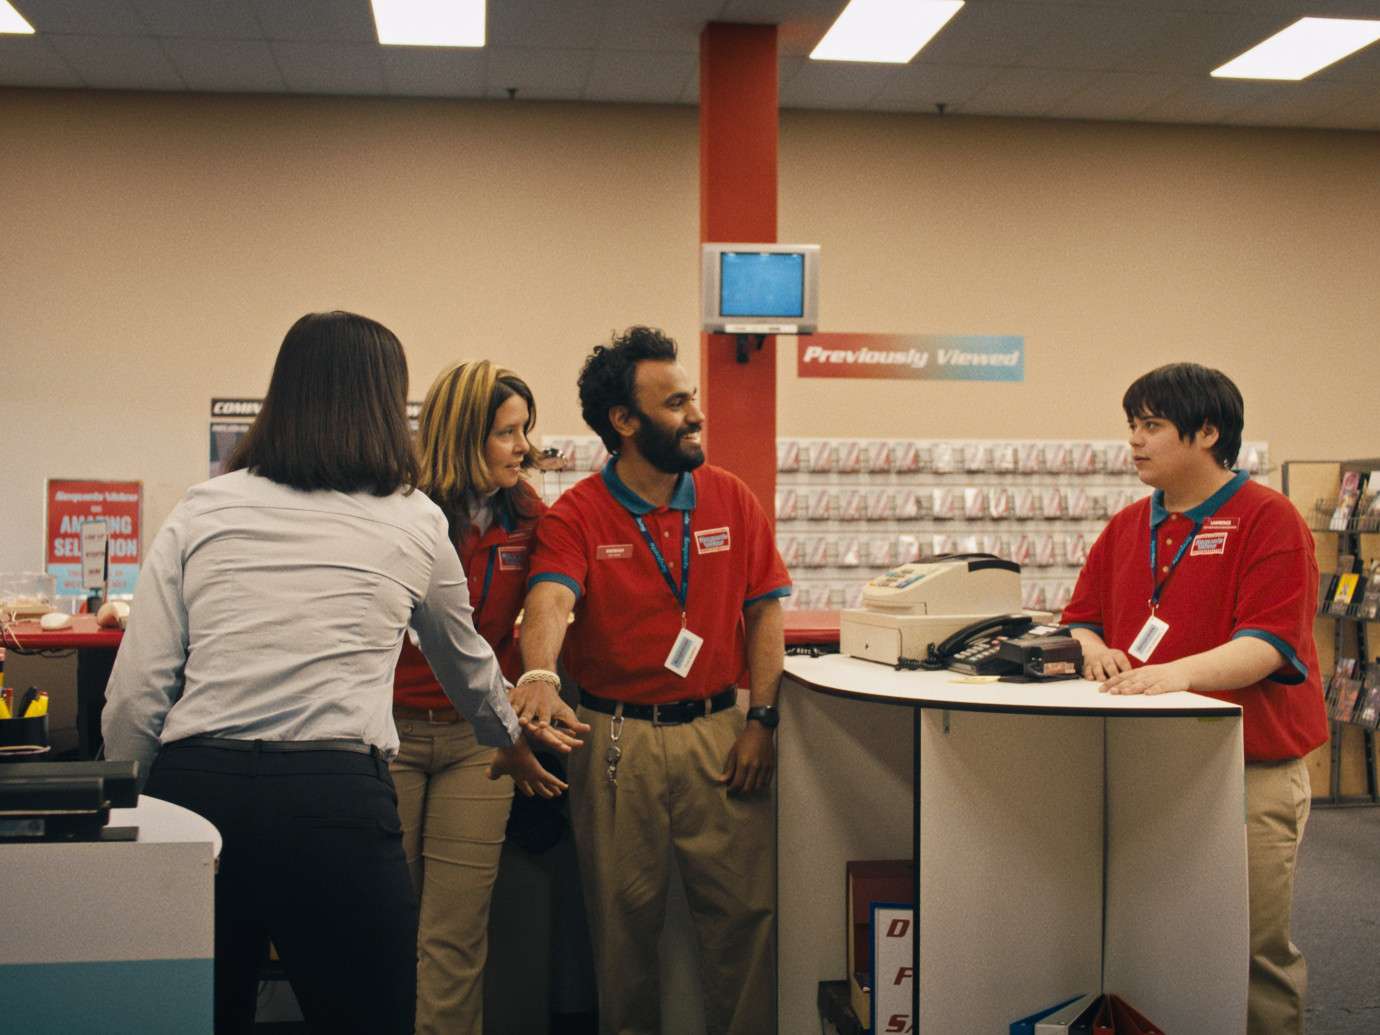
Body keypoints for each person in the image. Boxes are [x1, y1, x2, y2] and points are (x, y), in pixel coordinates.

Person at [101, 311, 579, 1035]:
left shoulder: (204, 507)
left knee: (198, 1013)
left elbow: (137, 691)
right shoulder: (412, 517)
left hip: (197, 790)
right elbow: (466, 658)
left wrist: (130, 806)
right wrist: (505, 735)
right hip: (334, 800)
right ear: (387, 404)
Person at [513, 326, 791, 1035]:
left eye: (691, 396)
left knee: (743, 923)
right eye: (675, 403)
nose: (696, 413)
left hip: (719, 736)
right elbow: (550, 599)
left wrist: (761, 718)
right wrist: (540, 669)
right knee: (620, 929)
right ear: (625, 422)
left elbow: (764, 615)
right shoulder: (577, 512)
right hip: (615, 741)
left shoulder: (729, 498)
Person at [1061, 362, 1328, 1035]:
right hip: (1148, 768)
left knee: (1251, 952)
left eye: (1151, 424)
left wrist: (1173, 673)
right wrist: (1091, 647)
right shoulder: (1127, 525)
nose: (1135, 441)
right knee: (1151, 946)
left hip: (1250, 772)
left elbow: (1268, 644)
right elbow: (1081, 615)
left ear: (1208, 431)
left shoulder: (1271, 519)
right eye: (1132, 425)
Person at [390, 359, 588, 1034]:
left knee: (455, 934)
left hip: (481, 740)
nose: (524, 447)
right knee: (387, 924)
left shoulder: (530, 512)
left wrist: (541, 672)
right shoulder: (396, 509)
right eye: (508, 431)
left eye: (525, 430)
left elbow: (552, 597)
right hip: (386, 733)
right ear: (461, 434)